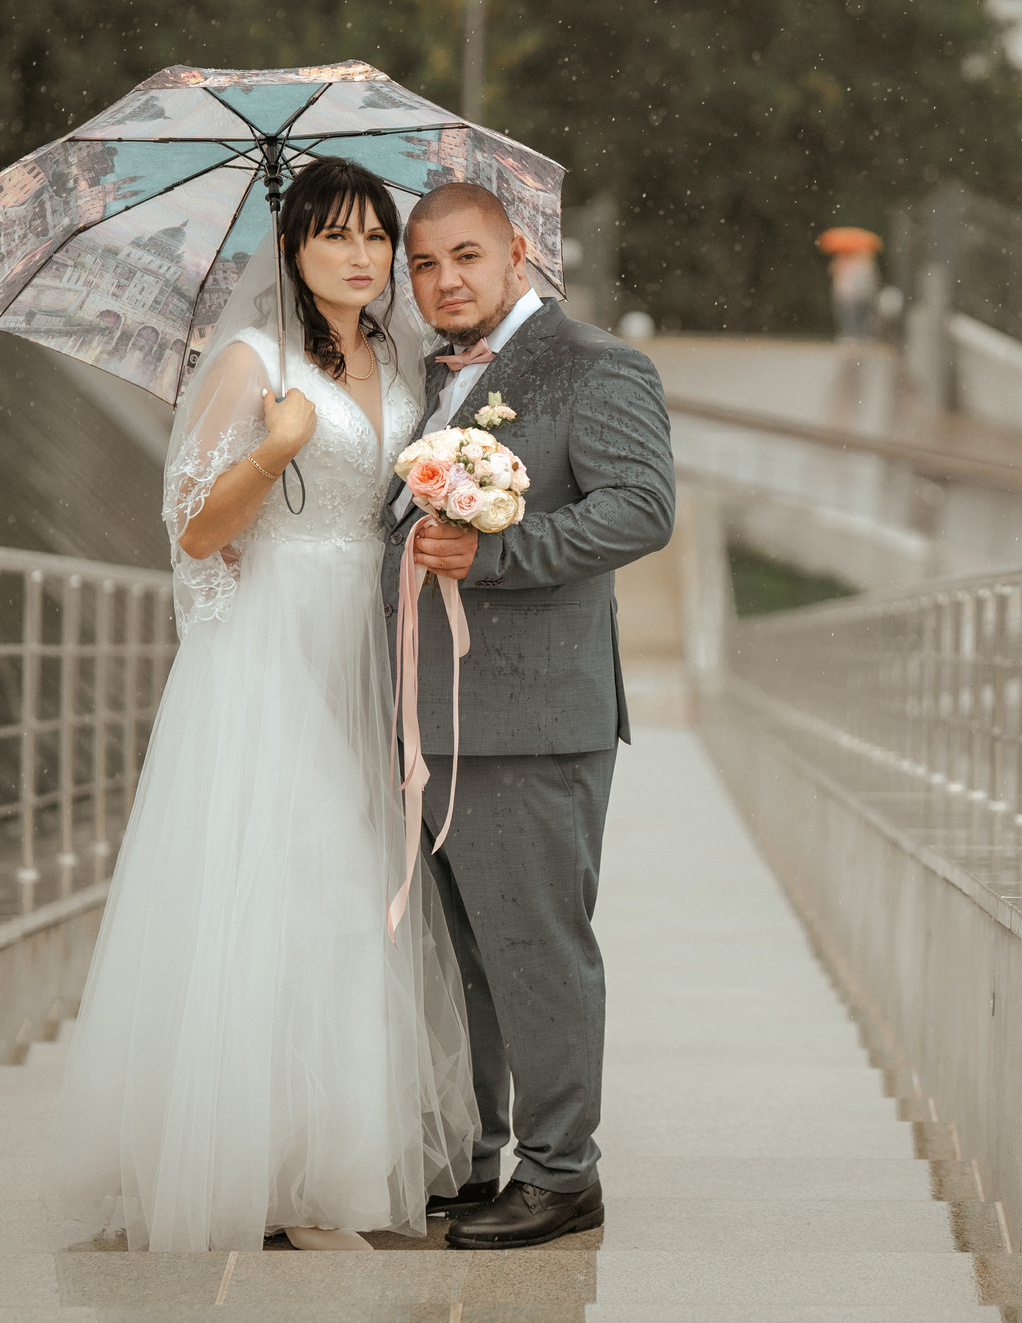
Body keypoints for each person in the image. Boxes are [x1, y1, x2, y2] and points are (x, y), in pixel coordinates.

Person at [50, 158, 475, 1253]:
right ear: (291, 251)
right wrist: (278, 447)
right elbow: (194, 527)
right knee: (301, 880)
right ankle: (261, 1163)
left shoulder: (403, 360)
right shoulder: (256, 362)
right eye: (335, 236)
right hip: (277, 638)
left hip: (374, 641)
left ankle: (322, 1149)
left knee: (366, 892)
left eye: (378, 238)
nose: (364, 257)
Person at [383, 180, 675, 1250]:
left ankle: (563, 1174)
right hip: (436, 715)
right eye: (424, 265)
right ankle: (475, 1156)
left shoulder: (596, 364)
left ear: (519, 253)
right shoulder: (425, 380)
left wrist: (498, 554)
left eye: (464, 257)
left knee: (537, 949)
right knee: (466, 959)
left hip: (534, 715)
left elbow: (641, 509)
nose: (443, 281)